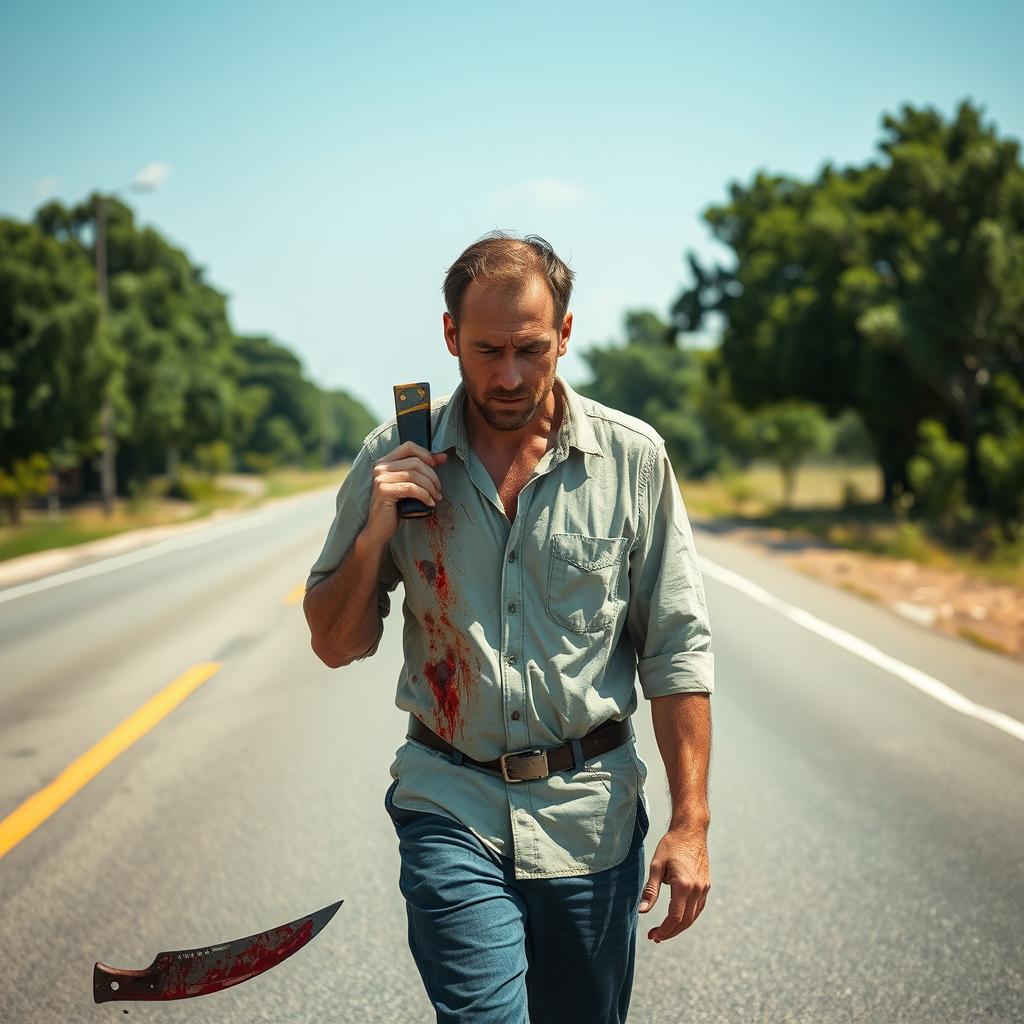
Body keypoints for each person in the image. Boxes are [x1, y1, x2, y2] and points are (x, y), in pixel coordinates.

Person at [303, 230, 714, 1024]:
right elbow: (332, 641)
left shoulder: (631, 460)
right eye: (488, 350)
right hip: (449, 802)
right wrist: (375, 532)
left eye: (531, 348)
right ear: (451, 335)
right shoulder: (395, 454)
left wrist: (690, 825)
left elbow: (676, 649)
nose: (509, 374)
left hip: (590, 820)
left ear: (564, 333)